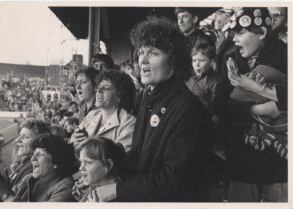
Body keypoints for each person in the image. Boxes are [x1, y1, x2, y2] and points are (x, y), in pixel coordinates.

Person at [92, 16, 212, 202]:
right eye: (141, 52)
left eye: (153, 53)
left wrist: (117, 189)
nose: (143, 60)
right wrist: (100, 169)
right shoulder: (149, 95)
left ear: (173, 61)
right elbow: (139, 157)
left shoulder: (188, 109)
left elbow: (172, 180)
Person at [221, 7, 287, 202]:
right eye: (233, 34)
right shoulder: (230, 59)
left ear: (262, 33)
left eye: (240, 32)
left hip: (279, 163)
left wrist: (252, 87)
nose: (234, 39)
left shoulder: (286, 55)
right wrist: (259, 109)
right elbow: (220, 106)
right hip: (242, 159)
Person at [71, 69, 136, 153]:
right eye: (98, 87)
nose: (98, 91)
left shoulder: (129, 123)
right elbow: (75, 139)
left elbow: (119, 157)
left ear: (119, 96)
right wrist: (74, 140)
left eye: (106, 88)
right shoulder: (92, 114)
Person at [0, 134, 78, 202]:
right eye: (34, 154)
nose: (32, 159)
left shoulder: (66, 188)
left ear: (56, 162)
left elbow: (8, 198)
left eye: (39, 155)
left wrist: (6, 194)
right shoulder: (28, 179)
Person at [0, 119, 51, 194]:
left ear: (40, 140)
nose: (18, 140)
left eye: (26, 137)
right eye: (20, 136)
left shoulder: (34, 168)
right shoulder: (27, 160)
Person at [75, 136, 126, 202]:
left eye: (88, 162)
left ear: (108, 165)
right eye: (81, 162)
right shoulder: (93, 186)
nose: (80, 168)